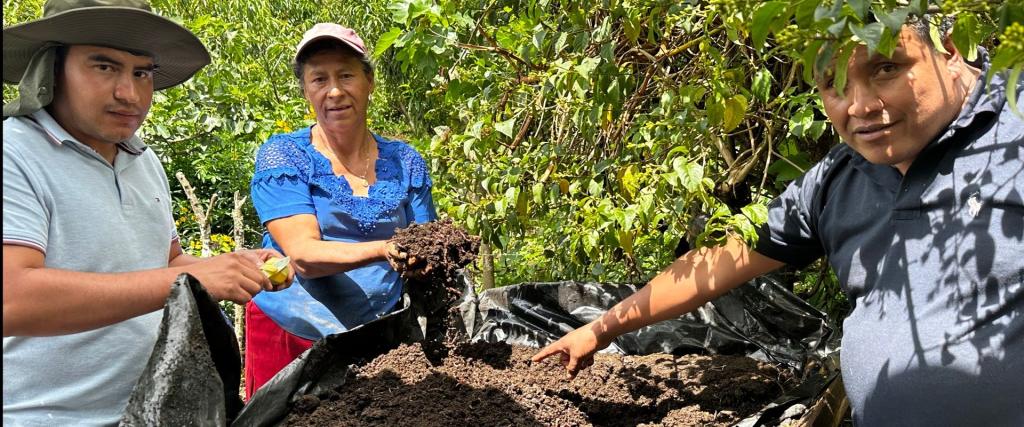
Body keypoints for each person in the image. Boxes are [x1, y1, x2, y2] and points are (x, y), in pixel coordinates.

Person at [533, 18, 1023, 426]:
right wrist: (600, 329)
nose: (860, 106)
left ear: (950, 49)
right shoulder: (840, 178)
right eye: (834, 85)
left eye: (887, 68)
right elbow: (719, 264)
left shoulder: (1014, 142)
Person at [2, 0, 293, 425]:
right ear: (51, 67)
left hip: (155, 409)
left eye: (142, 73)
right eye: (104, 67)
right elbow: (12, 297)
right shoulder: (15, 152)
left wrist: (231, 266)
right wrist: (192, 278)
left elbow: (165, 261)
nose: (130, 93)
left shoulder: (141, 158)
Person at [244, 23, 436, 398]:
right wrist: (385, 249)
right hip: (293, 333)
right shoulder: (285, 156)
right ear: (306, 91)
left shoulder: (405, 161)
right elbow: (304, 257)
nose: (334, 91)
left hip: (378, 334)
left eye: (346, 75)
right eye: (319, 79)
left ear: (369, 82)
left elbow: (426, 241)